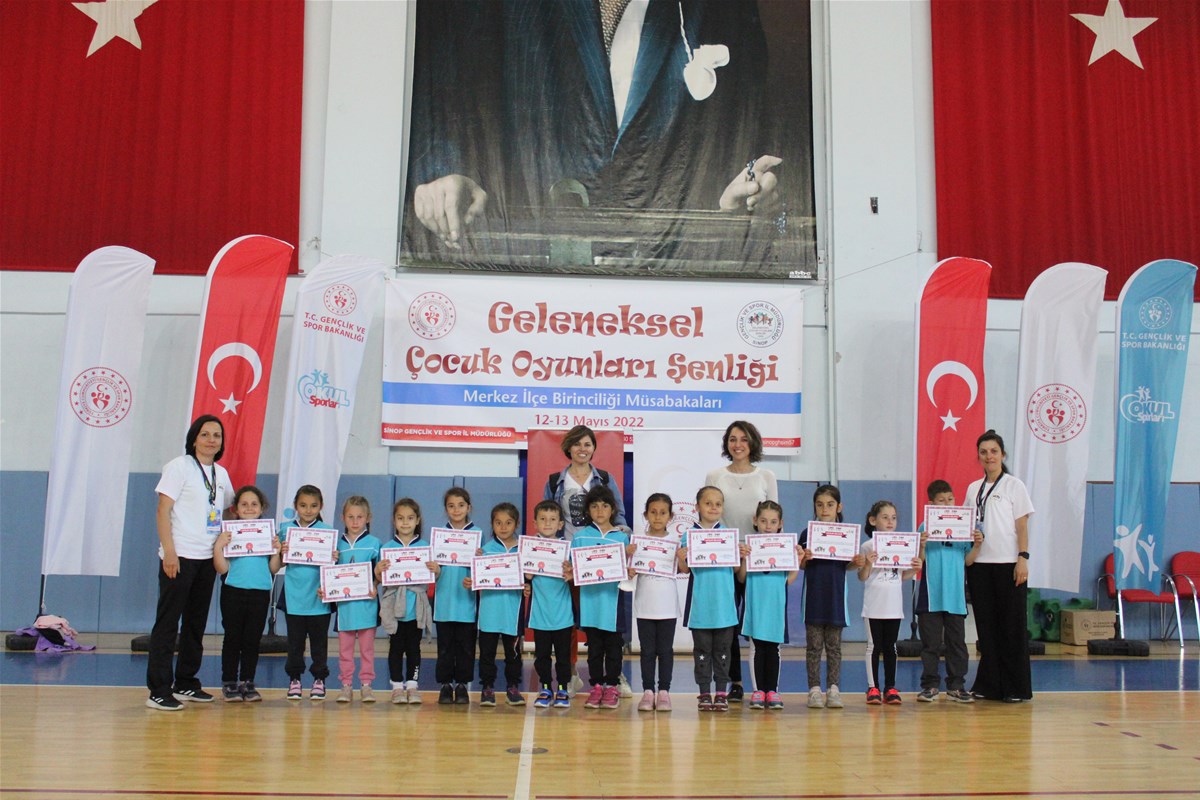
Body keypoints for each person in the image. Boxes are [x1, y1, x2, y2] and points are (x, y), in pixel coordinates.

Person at [403, 1, 792, 265]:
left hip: (667, 292)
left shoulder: (723, 8)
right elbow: (452, 91)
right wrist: (446, 174)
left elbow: (747, 128)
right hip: (528, 281)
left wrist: (737, 199)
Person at [146, 414, 234, 711]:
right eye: (205, 434)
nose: (211, 440)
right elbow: (163, 510)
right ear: (194, 438)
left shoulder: (221, 474)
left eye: (217, 435)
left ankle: (185, 682)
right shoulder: (179, 467)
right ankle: (158, 690)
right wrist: (169, 551)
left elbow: (228, 512)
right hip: (180, 555)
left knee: (195, 624)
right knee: (168, 623)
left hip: (207, 558)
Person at [704, 420, 778, 702]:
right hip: (725, 558)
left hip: (758, 560)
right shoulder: (715, 475)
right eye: (733, 439)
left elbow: (776, 518)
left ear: (753, 443)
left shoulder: (766, 476)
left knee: (760, 621)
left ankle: (765, 685)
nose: (738, 445)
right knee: (729, 625)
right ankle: (734, 681)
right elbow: (708, 517)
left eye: (744, 439)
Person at [966, 430, 1034, 703]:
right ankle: (989, 685)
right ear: (978, 457)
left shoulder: (1014, 486)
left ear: (1002, 455)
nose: (989, 456)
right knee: (986, 627)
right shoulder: (973, 488)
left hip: (1008, 565)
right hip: (980, 566)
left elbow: (1022, 526)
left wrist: (1023, 558)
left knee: (1011, 626)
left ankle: (1015, 687)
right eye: (983, 452)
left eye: (994, 451)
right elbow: (967, 523)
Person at [916, 480, 983, 703]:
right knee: (931, 644)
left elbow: (968, 560)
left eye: (950, 499)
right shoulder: (924, 527)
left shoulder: (964, 528)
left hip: (955, 597)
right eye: (941, 500)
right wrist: (921, 545)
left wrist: (978, 545)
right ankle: (930, 686)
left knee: (957, 644)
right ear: (932, 504)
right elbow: (919, 560)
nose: (947, 503)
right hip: (931, 595)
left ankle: (956, 686)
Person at [798, 484, 864, 710]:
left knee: (834, 647)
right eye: (819, 505)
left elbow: (849, 566)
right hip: (813, 599)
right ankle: (814, 690)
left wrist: (856, 562)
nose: (824, 509)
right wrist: (804, 558)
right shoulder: (807, 534)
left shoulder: (847, 534)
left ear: (839, 506)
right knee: (814, 647)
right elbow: (801, 565)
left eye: (829, 504)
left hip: (836, 599)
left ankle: (834, 689)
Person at [212, 485, 281, 702]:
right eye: (244, 504)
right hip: (233, 591)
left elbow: (273, 569)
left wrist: (277, 551)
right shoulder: (229, 533)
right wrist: (218, 547)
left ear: (262, 508)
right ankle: (229, 682)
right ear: (236, 508)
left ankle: (248, 682)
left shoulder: (268, 534)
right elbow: (221, 568)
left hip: (260, 593)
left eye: (254, 504)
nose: (249, 508)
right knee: (233, 638)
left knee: (252, 639)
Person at [677, 485, 738, 712]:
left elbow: (735, 569)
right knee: (702, 652)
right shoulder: (688, 536)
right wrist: (681, 557)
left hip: (724, 607)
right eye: (708, 503)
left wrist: (740, 555)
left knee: (723, 652)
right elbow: (684, 570)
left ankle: (721, 692)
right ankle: (704, 693)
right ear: (697, 507)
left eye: (718, 504)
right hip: (700, 607)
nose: (713, 507)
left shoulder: (729, 534)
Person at [571, 484, 630, 709]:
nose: (600, 510)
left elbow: (629, 571)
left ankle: (612, 686)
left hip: (613, 604)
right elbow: (573, 568)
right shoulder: (580, 538)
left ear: (613, 509)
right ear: (588, 510)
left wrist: (630, 564)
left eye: (605, 506)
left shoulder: (621, 538)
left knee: (614, 648)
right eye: (594, 506)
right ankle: (596, 687)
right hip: (590, 605)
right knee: (594, 649)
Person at [857, 500, 921, 705]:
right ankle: (872, 687)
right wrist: (868, 563)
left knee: (890, 647)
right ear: (873, 520)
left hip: (894, 607)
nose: (890, 522)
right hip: (874, 607)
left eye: (893, 518)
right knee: (873, 647)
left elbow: (901, 576)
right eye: (885, 517)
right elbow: (862, 577)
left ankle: (890, 687)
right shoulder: (867, 546)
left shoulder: (900, 545)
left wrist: (915, 568)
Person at [738, 500, 799, 711]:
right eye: (763, 521)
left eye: (773, 522)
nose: (768, 526)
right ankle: (758, 691)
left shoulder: (785, 548)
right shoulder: (750, 546)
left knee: (773, 649)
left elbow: (788, 580)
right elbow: (742, 578)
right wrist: (744, 559)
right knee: (757, 648)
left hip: (775, 606)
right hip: (755, 604)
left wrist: (797, 561)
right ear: (755, 521)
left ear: (780, 523)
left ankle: (772, 690)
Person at [324, 496, 382, 703]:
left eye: (360, 517)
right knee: (345, 650)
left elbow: (380, 573)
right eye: (350, 517)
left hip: (367, 606)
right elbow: (329, 573)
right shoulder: (335, 545)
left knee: (367, 650)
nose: (355, 521)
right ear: (343, 518)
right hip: (345, 608)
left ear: (368, 518)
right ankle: (346, 685)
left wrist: (375, 585)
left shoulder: (375, 544)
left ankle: (366, 685)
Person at [278, 484, 334, 701]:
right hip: (294, 596)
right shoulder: (285, 530)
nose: (308, 510)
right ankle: (295, 679)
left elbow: (333, 567)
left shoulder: (327, 531)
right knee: (295, 643)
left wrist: (334, 557)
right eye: (303, 505)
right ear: (295, 506)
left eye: (313, 505)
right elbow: (278, 562)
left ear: (321, 506)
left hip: (319, 597)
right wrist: (280, 552)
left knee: (319, 643)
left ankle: (319, 679)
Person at [375, 498, 432, 704]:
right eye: (400, 518)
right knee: (396, 648)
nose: (405, 522)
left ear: (417, 520)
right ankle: (397, 687)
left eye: (410, 518)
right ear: (394, 521)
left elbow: (435, 575)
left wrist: (436, 569)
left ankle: (413, 686)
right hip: (394, 606)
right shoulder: (387, 548)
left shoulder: (425, 547)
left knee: (414, 648)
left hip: (416, 606)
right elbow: (380, 578)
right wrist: (378, 570)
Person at [472, 503, 528, 706]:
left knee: (513, 654)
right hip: (489, 612)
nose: (503, 527)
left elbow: (529, 577)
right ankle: (487, 687)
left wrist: (527, 585)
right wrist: (472, 578)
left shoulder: (524, 549)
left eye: (508, 522)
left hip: (512, 612)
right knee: (487, 653)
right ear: (492, 524)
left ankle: (513, 687)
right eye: (498, 523)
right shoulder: (484, 551)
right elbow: (476, 578)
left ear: (517, 524)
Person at [430, 487, 481, 704]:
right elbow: (434, 570)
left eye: (461, 505)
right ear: (446, 509)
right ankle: (444, 685)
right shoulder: (439, 535)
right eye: (451, 506)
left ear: (469, 507)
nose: (456, 510)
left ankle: (462, 685)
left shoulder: (477, 534)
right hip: (444, 602)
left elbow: (483, 570)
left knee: (466, 648)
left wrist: (476, 573)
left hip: (466, 602)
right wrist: (435, 570)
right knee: (445, 648)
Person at [631, 493, 680, 712]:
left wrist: (682, 556)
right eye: (653, 512)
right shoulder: (637, 543)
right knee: (647, 651)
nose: (658, 517)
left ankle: (664, 692)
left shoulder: (676, 542)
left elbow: (685, 569)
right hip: (645, 604)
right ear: (645, 515)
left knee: (666, 650)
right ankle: (648, 691)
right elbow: (629, 573)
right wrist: (629, 562)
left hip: (667, 605)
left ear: (670, 516)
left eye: (662, 513)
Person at [528, 500, 574, 709]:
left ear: (560, 524)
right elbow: (526, 577)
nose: (547, 523)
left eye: (553, 519)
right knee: (542, 657)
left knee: (563, 657)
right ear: (535, 523)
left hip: (563, 615)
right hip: (540, 615)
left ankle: (563, 689)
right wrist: (527, 574)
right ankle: (546, 688)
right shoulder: (529, 549)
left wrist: (570, 572)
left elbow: (575, 577)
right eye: (543, 519)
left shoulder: (567, 550)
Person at [544, 425, 627, 540]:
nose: (582, 449)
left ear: (593, 448)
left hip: (599, 545)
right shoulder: (554, 482)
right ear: (569, 448)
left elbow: (618, 515)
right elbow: (545, 515)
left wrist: (621, 534)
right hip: (567, 545)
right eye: (576, 444)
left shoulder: (605, 479)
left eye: (587, 445)